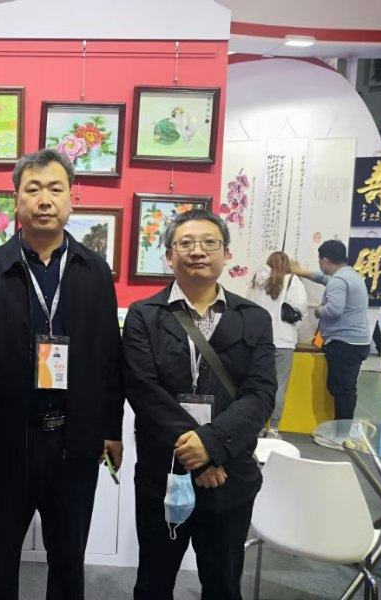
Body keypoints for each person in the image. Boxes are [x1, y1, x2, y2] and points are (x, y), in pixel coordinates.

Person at [0, 148, 123, 600]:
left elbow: (109, 357)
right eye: (33, 189)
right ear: (16, 200)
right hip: (3, 442)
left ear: (71, 198)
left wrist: (111, 429)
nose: (44, 199)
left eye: (55, 188)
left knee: (68, 560)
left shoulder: (95, 271)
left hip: (75, 442)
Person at [122, 209, 276, 600]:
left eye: (209, 242)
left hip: (229, 475)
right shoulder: (144, 315)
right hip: (164, 472)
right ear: (169, 256)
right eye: (185, 243)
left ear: (226, 254)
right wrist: (200, 455)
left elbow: (260, 393)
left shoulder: (254, 318)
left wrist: (211, 445)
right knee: (153, 582)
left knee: (223, 584)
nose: (197, 251)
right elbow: (142, 389)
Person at [292, 239, 370, 420]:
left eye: (320, 261)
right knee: (343, 388)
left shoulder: (339, 281)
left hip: (345, 345)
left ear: (325, 260)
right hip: (354, 343)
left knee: (342, 390)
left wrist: (318, 311)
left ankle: (342, 430)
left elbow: (334, 310)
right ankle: (342, 427)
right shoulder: (350, 275)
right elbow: (323, 278)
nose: (320, 266)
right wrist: (302, 272)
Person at [247, 251, 308, 439]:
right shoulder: (293, 281)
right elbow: (301, 309)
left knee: (258, 384)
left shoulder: (258, 280)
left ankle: (257, 426)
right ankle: (273, 428)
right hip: (284, 340)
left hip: (260, 340)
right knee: (279, 385)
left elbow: (249, 306)